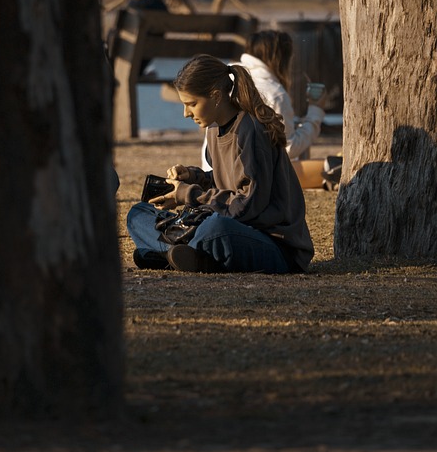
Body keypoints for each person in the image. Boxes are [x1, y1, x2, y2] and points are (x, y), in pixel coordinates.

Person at [127, 54, 314, 274]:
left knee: (215, 228)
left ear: (216, 96)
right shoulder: (214, 128)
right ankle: (189, 255)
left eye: (192, 104)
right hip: (236, 226)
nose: (186, 113)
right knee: (138, 214)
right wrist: (193, 176)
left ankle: (174, 253)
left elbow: (246, 205)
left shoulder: (251, 130)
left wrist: (188, 195)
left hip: (274, 244)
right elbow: (223, 180)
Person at [202, 30, 327, 188]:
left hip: (215, 175)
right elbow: (287, 148)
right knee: (332, 167)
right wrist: (315, 112)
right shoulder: (275, 93)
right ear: (283, 59)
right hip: (250, 181)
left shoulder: (228, 78)